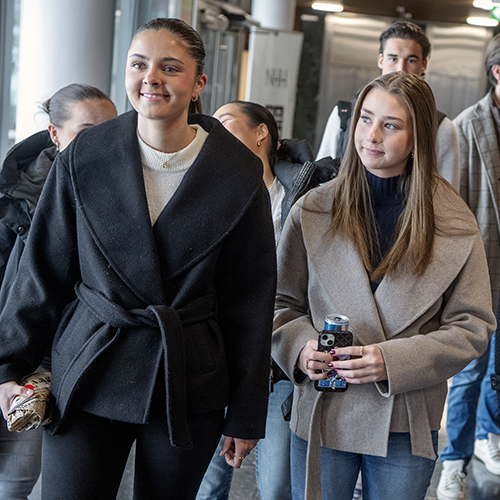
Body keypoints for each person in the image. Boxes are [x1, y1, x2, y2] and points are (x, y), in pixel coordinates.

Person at [0, 18, 277, 500]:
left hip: (187, 376)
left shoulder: (237, 173)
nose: (151, 77)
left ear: (198, 83)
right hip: (91, 364)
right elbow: (42, 270)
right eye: (138, 64)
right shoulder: (84, 154)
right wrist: (9, 366)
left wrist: (246, 410)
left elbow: (250, 300)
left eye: (170, 67)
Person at [272, 71, 495, 500]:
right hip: (325, 405)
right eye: (365, 119)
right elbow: (281, 300)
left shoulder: (453, 222)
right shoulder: (314, 209)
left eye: (390, 125)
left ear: (418, 139)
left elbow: (473, 325)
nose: (371, 136)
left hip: (406, 415)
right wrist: (300, 347)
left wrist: (391, 361)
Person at [196, 101, 337, 500]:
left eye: (225, 121)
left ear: (261, 133)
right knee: (206, 488)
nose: (213, 129)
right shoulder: (206, 193)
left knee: (277, 487)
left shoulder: (306, 197)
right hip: (213, 360)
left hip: (275, 365)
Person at [0, 83, 117, 500]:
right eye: (87, 131)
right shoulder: (14, 195)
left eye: (113, 129)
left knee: (20, 480)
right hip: (13, 350)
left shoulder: (120, 195)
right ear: (55, 134)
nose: (102, 142)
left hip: (59, 365)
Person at [436, 33, 500, 500]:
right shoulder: (466, 127)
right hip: (482, 268)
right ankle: (452, 462)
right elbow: (450, 211)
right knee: (469, 371)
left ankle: (488, 437)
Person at [316, 20, 460, 192]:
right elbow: (321, 179)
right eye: (393, 58)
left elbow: (447, 195)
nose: (401, 68)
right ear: (381, 60)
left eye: (411, 60)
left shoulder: (441, 127)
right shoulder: (344, 114)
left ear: (424, 64)